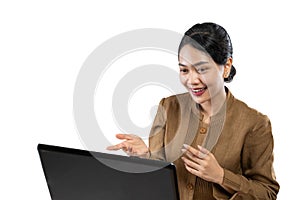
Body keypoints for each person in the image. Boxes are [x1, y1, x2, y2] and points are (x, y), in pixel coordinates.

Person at [107, 22, 280, 199]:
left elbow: (267, 192)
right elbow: (157, 179)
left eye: (202, 69)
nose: (192, 80)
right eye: (184, 70)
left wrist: (221, 176)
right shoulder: (168, 107)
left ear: (226, 67)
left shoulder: (255, 124)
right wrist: (145, 156)